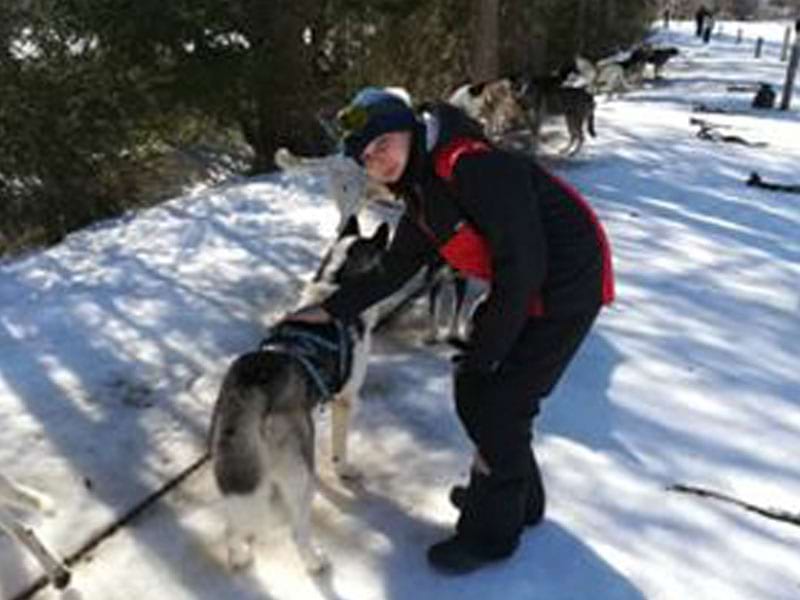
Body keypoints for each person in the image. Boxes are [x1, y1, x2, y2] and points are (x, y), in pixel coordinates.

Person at [287, 87, 615, 574]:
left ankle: (489, 536)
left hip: (565, 288)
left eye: (382, 143)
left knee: (499, 402)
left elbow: (523, 264)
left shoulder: (469, 166)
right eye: (365, 158)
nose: (376, 160)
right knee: (478, 390)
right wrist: (330, 310)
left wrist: (488, 350)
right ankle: (517, 497)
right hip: (526, 287)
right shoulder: (423, 190)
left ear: (409, 130)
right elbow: (393, 269)